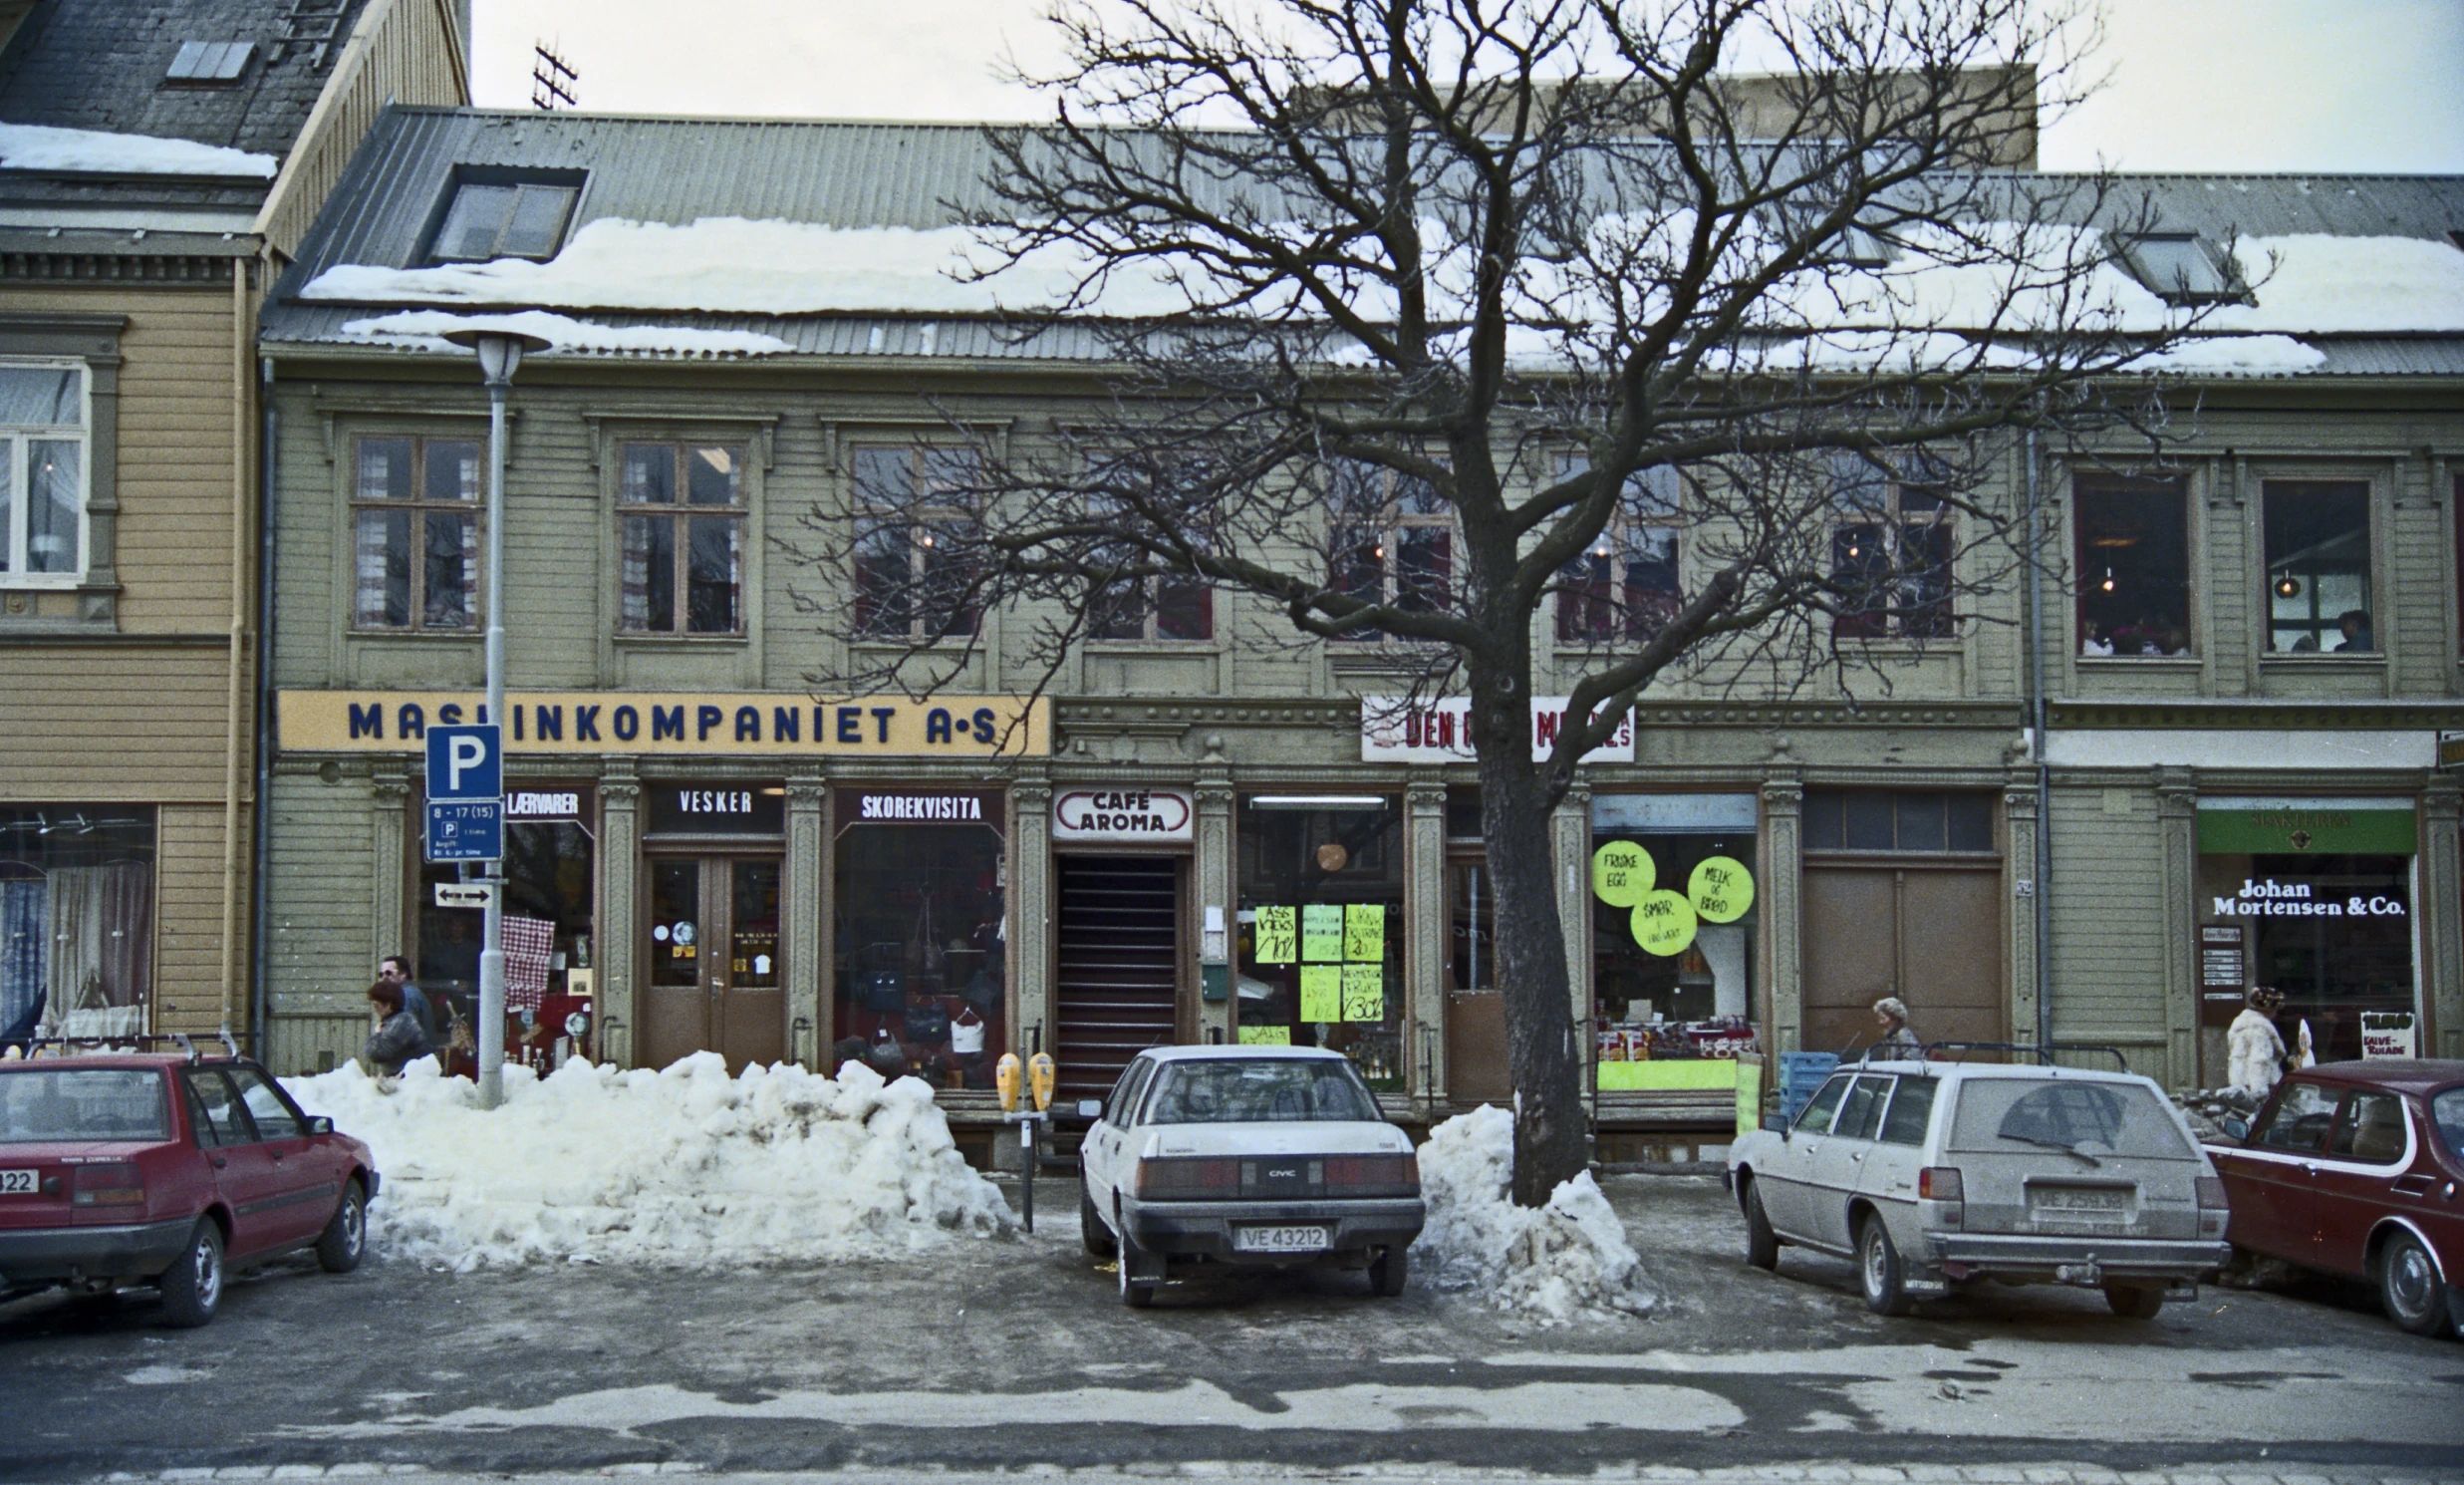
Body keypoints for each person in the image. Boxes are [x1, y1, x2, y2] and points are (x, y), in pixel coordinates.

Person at [363, 980, 435, 1076]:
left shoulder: (403, 1021)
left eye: (376, 1005)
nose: (374, 1009)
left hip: (411, 1082)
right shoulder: (393, 1021)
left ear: (388, 1005)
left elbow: (377, 1053)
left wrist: (378, 1034)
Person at [2228, 987, 2287, 1096]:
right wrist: (2259, 1092)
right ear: (2269, 1010)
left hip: (2239, 1082)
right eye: (2276, 1010)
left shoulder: (2238, 1024)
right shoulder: (2260, 1029)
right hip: (2259, 1085)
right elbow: (2260, 1061)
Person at [378, 955, 441, 1052]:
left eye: (388, 973)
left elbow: (404, 1034)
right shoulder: (409, 993)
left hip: (413, 1060)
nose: (384, 978)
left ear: (403, 974)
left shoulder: (406, 995)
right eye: (381, 974)